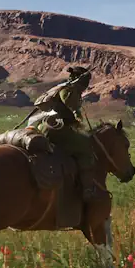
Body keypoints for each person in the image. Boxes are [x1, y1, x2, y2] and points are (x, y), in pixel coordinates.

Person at [26, 66, 103, 204]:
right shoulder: (69, 91)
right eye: (86, 81)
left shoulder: (63, 88)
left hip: (47, 127)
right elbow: (72, 108)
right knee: (87, 147)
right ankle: (87, 189)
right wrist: (77, 115)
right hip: (57, 130)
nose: (87, 85)